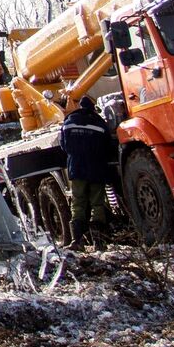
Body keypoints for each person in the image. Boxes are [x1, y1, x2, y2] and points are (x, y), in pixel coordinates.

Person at [60, 95, 116, 246]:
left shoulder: (68, 123)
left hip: (76, 168)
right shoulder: (99, 122)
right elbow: (108, 145)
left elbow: (64, 146)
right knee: (97, 203)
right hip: (96, 168)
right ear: (92, 109)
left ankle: (77, 240)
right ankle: (99, 241)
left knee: (78, 202)